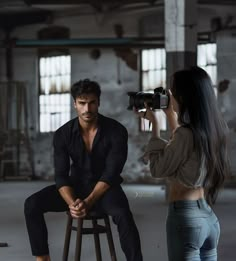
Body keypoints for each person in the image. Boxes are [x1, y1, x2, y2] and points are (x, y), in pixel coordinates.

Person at [24, 79, 143, 261]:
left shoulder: (116, 131)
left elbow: (111, 173)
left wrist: (88, 201)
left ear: (98, 102)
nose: (87, 109)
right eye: (82, 103)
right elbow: (61, 175)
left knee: (123, 214)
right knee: (32, 204)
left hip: (106, 190)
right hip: (76, 187)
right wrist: (73, 203)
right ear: (75, 104)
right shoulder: (63, 134)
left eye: (92, 103)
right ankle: (43, 259)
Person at [135, 66, 230, 261]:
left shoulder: (186, 135)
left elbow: (158, 168)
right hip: (208, 218)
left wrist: (155, 129)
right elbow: (182, 151)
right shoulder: (216, 129)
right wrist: (171, 117)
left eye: (172, 91)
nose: (169, 95)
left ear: (185, 96)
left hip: (186, 219)